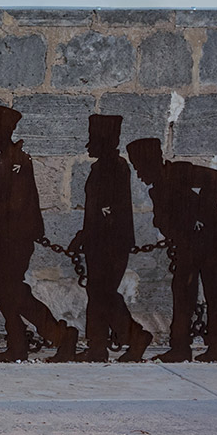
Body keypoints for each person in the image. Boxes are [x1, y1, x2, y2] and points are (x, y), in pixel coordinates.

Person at [0, 105, 78, 362]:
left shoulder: (17, 162)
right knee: (7, 291)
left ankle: (57, 336)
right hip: (8, 239)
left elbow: (12, 210)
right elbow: (4, 208)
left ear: (2, 130)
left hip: (16, 240)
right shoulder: (7, 160)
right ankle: (24, 344)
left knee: (9, 291)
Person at [126, 137, 217, 363]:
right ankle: (181, 347)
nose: (140, 174)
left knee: (213, 292)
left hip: (209, 240)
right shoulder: (158, 190)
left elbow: (215, 178)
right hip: (188, 245)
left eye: (141, 167)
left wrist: (201, 215)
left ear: (152, 162)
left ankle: (216, 346)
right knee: (183, 294)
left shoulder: (179, 172)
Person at [69, 115, 152, 362]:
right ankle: (97, 346)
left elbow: (110, 211)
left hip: (111, 243)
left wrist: (91, 234)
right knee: (98, 293)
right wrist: (84, 235)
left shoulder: (116, 167)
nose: (89, 144)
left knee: (103, 292)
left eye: (94, 139)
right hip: (98, 242)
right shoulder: (101, 168)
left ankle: (135, 336)